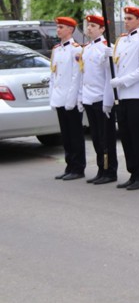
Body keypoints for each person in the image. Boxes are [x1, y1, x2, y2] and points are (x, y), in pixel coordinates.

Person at [111, 6, 139, 191]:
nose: (126, 21)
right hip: (122, 96)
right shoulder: (121, 40)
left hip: (136, 95)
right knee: (126, 137)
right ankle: (133, 172)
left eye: (129, 18)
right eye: (125, 18)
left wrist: (122, 81)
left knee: (137, 138)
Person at [78, 14, 117, 184]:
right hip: (89, 97)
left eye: (93, 26)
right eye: (88, 25)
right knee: (95, 137)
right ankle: (101, 168)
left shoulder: (107, 47)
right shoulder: (85, 49)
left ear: (102, 29)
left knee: (106, 137)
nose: (89, 28)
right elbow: (83, 74)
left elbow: (111, 75)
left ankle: (110, 171)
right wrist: (81, 97)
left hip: (102, 98)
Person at [49, 16, 85, 180]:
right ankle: (69, 165)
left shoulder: (76, 49)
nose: (58, 30)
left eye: (61, 27)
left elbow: (76, 76)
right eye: (58, 27)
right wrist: (52, 97)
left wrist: (72, 100)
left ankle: (78, 167)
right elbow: (53, 75)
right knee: (66, 134)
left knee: (75, 134)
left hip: (70, 98)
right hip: (60, 97)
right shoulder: (56, 49)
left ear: (70, 30)